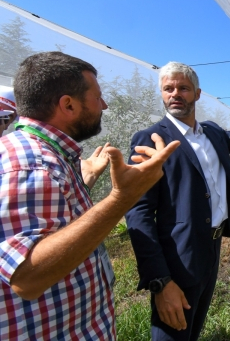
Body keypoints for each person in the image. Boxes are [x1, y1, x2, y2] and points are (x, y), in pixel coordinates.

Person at [0, 52, 180, 340]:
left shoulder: (45, 157)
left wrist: (84, 183)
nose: (104, 105)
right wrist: (122, 198)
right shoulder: (32, 164)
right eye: (98, 97)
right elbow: (26, 277)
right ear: (68, 104)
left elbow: (49, 230)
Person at [125, 62, 230, 340]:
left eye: (183, 88)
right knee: (172, 332)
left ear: (197, 94)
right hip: (178, 256)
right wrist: (160, 281)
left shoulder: (212, 133)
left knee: (194, 327)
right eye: (168, 88)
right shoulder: (152, 139)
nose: (175, 93)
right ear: (162, 94)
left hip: (212, 247)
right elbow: (139, 211)